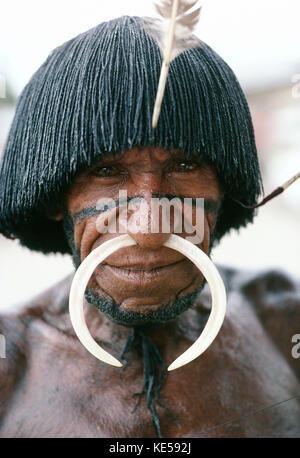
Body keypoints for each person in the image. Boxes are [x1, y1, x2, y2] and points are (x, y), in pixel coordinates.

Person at [0, 16, 299, 438]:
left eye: (184, 165)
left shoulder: (285, 323)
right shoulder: (9, 363)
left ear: (225, 186)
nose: (150, 228)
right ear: (54, 198)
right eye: (105, 170)